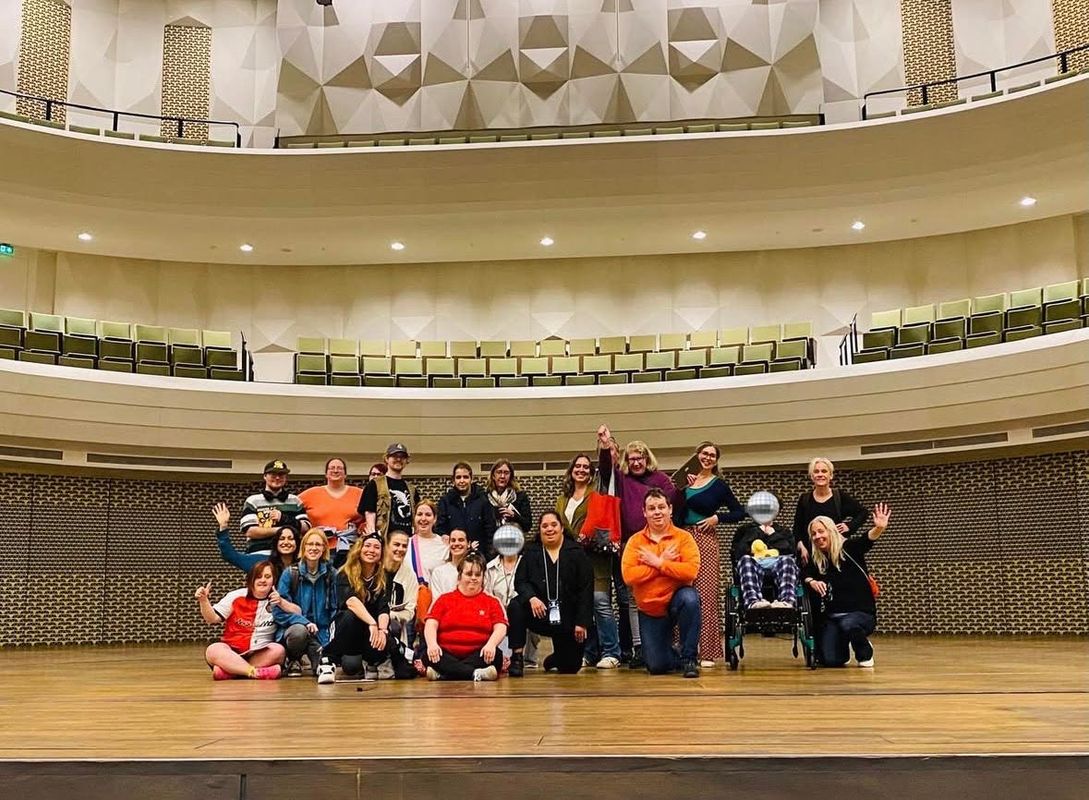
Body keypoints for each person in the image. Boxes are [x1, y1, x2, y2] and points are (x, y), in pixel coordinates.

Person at [596, 424, 679, 668]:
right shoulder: (622, 478)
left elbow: (673, 503)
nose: (636, 462)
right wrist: (605, 445)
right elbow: (605, 469)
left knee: (662, 593)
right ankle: (639, 646)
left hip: (660, 545)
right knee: (633, 597)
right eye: (631, 458)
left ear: (647, 458)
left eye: (639, 458)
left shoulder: (661, 479)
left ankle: (665, 643)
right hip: (631, 545)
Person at [674, 441, 745, 666]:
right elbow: (673, 510)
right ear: (696, 455)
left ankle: (706, 651)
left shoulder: (719, 485)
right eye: (704, 453)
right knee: (681, 591)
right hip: (682, 537)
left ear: (716, 461)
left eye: (712, 455)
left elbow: (739, 512)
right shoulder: (682, 482)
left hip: (705, 539)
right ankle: (682, 648)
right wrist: (681, 490)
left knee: (705, 594)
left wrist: (717, 518)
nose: (707, 458)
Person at [620, 489, 701, 678]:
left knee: (690, 599)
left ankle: (689, 658)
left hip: (676, 601)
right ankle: (674, 654)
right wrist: (663, 563)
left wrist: (657, 563)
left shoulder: (684, 538)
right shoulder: (635, 541)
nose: (657, 512)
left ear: (670, 509)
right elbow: (629, 576)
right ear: (644, 512)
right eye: (652, 508)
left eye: (661, 507)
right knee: (656, 666)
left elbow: (691, 571)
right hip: (651, 609)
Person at [508, 511, 594, 676]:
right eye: (545, 526)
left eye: (554, 525)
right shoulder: (531, 552)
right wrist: (532, 598)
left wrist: (581, 622)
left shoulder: (577, 553)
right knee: (515, 605)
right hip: (540, 613)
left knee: (570, 668)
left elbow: (586, 589)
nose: (549, 529)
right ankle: (517, 657)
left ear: (562, 528)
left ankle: (554, 659)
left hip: (567, 617)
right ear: (539, 530)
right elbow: (520, 581)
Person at [554, 453, 620, 669]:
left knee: (600, 602)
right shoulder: (562, 499)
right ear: (571, 470)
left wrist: (604, 447)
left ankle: (612, 652)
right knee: (581, 606)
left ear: (591, 473)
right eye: (577, 466)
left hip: (595, 557)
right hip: (572, 560)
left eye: (585, 467)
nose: (581, 470)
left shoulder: (596, 493)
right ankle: (589, 653)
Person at [805, 503, 891, 668]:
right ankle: (846, 644)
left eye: (821, 531)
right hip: (834, 617)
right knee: (831, 660)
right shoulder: (817, 560)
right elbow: (805, 572)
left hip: (860, 614)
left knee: (849, 624)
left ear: (831, 531)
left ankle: (864, 651)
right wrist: (812, 581)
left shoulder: (849, 548)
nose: (817, 536)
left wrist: (879, 528)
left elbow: (866, 540)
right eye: (814, 534)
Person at [319, 534, 413, 682]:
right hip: (349, 630)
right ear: (359, 549)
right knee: (349, 617)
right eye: (367, 546)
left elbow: (383, 608)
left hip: (370, 632)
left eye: (376, 547)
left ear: (382, 553)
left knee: (388, 630)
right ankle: (327, 661)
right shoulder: (345, 573)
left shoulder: (384, 576)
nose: (371, 550)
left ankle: (376, 661)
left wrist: (382, 631)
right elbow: (351, 601)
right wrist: (373, 623)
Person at [422, 553, 507, 681]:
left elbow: (501, 627)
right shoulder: (443, 599)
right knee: (428, 655)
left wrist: (491, 644)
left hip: (479, 654)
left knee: (496, 656)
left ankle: (443, 675)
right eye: (469, 574)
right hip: (446, 653)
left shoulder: (492, 602)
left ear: (483, 577)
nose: (473, 578)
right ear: (459, 576)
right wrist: (432, 644)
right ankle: (476, 674)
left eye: (477, 575)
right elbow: (431, 624)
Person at [194, 561, 284, 680]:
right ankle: (254, 672)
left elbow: (297, 612)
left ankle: (231, 671)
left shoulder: (278, 600)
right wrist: (204, 601)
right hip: (231, 652)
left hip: (260, 653)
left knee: (278, 650)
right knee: (213, 650)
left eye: (267, 577)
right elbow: (212, 619)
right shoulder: (236, 595)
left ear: (274, 580)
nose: (263, 580)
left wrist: (282, 602)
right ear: (251, 579)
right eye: (258, 576)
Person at [272, 528, 338, 678]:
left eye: (318, 544)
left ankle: (315, 655)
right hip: (297, 629)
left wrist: (329, 639)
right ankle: (293, 659)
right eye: (310, 544)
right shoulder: (290, 573)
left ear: (324, 548)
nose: (314, 548)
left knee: (321, 670)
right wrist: (304, 622)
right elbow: (278, 611)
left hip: (321, 633)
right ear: (303, 547)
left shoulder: (332, 574)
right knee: (299, 632)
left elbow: (335, 609)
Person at [792, 457, 869, 566]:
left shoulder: (839, 496)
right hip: (811, 554)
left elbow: (863, 513)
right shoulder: (805, 499)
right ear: (812, 476)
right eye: (816, 471)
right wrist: (801, 545)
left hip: (836, 552)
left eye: (824, 471)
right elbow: (797, 527)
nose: (820, 474)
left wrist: (850, 526)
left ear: (831, 475)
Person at [730, 503, 798, 610]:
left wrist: (773, 535)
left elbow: (791, 551)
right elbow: (738, 552)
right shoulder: (744, 530)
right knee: (745, 560)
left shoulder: (784, 531)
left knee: (788, 560)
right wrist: (757, 532)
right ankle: (753, 602)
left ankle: (786, 601)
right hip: (753, 565)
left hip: (778, 566)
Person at [299, 457, 363, 566]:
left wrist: (362, 526)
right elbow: (292, 507)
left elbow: (370, 514)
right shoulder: (311, 493)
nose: (335, 470)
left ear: (345, 474)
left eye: (339, 468)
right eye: (332, 468)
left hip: (350, 549)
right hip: (319, 549)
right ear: (326, 474)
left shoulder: (359, 493)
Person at [212, 502, 298, 581]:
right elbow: (230, 555)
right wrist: (223, 526)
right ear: (276, 543)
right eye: (282, 538)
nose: (286, 542)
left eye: (291, 538)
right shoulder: (262, 562)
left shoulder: (303, 564)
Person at [240, 459, 311, 554]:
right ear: (265, 476)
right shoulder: (253, 501)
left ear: (286, 477)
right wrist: (282, 530)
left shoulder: (295, 501)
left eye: (281, 474)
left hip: (289, 555)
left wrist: (284, 518)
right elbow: (250, 531)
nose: (277, 478)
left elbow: (306, 527)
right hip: (259, 553)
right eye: (273, 474)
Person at [406, 500, 449, 637]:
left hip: (434, 606)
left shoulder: (444, 545)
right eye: (419, 514)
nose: (423, 518)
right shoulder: (405, 544)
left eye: (428, 515)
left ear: (434, 519)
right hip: (410, 606)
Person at [358, 443, 419, 538]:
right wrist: (373, 535)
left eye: (402, 457)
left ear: (407, 460)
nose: (398, 459)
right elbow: (369, 512)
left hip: (407, 540)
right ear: (386, 458)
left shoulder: (412, 489)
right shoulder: (375, 484)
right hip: (383, 538)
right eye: (394, 456)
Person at [483, 459, 533, 558]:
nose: (502, 476)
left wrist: (514, 515)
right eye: (499, 472)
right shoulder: (484, 497)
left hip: (514, 548)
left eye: (506, 473)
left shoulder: (520, 497)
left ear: (510, 476)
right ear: (493, 476)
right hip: (491, 550)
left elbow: (528, 525)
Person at [436, 462, 491, 549]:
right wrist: (444, 536)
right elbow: (439, 528)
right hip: (454, 552)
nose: (462, 481)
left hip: (479, 553)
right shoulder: (445, 501)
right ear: (453, 480)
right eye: (458, 477)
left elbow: (490, 531)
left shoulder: (483, 500)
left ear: (471, 479)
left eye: (465, 477)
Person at [384, 529, 418, 647]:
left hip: (394, 628)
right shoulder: (375, 567)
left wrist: (388, 615)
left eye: (404, 546)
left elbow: (409, 612)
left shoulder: (409, 574)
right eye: (396, 544)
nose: (400, 549)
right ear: (387, 546)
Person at [428, 528, 471, 603]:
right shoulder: (439, 572)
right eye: (453, 540)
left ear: (469, 544)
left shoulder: (476, 571)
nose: (456, 543)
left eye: (461, 540)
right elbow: (437, 602)